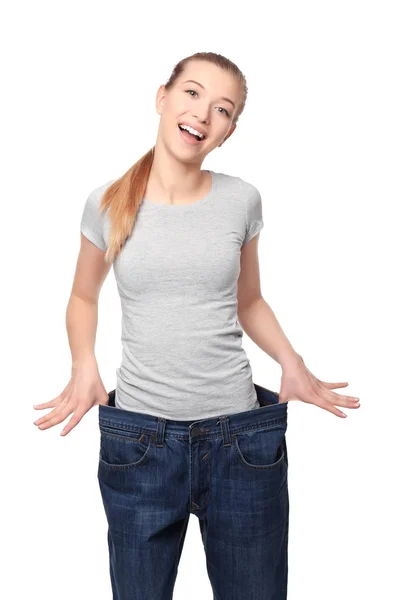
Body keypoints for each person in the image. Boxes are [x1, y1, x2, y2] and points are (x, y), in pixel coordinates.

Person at [33, 51, 360, 599]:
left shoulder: (241, 200)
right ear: (161, 98)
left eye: (223, 109)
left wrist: (292, 362)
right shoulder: (108, 204)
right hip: (138, 441)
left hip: (242, 442)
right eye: (191, 93)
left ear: (229, 131)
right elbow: (82, 295)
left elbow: (249, 299)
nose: (203, 114)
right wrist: (83, 363)